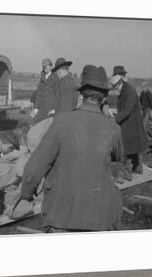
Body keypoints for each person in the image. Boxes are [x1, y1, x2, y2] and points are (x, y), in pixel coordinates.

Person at [20, 65, 123, 231]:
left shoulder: (61, 122)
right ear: (104, 98)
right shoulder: (113, 128)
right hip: (98, 217)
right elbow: (118, 156)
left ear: (81, 94)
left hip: (61, 215)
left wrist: (27, 193)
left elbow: (36, 166)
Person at [110, 65, 149, 173]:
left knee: (127, 149)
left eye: (116, 86)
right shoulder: (125, 90)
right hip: (128, 124)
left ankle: (127, 171)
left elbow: (126, 110)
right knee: (132, 150)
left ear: (121, 81)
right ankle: (136, 168)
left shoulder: (129, 91)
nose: (116, 89)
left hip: (131, 125)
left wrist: (114, 120)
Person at [31, 58, 58, 123]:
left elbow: (58, 94)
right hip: (42, 108)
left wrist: (56, 108)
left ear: (51, 66)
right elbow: (38, 95)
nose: (45, 67)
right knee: (38, 126)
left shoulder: (55, 78)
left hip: (51, 108)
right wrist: (35, 108)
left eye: (46, 66)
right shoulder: (42, 78)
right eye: (43, 66)